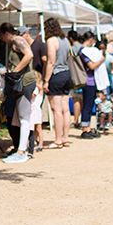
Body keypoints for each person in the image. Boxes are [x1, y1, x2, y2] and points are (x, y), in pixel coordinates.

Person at [0, 23, 36, 163]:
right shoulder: (14, 42)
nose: (2, 40)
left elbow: (29, 55)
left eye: (1, 36)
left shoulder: (17, 40)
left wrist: (14, 72)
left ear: (6, 33)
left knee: (24, 118)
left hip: (25, 83)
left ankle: (21, 151)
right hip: (22, 83)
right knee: (20, 118)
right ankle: (21, 149)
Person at [43, 18, 72, 148]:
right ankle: (65, 137)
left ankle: (58, 139)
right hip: (67, 74)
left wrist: (46, 81)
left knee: (56, 110)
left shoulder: (51, 41)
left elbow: (51, 61)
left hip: (56, 75)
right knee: (65, 109)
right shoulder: (65, 40)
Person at [78, 31, 107, 139]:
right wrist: (101, 60)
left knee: (90, 106)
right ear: (90, 40)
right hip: (88, 82)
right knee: (87, 106)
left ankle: (88, 128)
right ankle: (85, 129)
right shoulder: (83, 52)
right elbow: (92, 66)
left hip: (92, 81)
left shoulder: (84, 51)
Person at [68, 30, 84, 128]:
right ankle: (83, 119)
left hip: (76, 77)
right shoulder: (83, 47)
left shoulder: (72, 49)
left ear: (70, 38)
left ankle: (76, 120)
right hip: (84, 76)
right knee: (82, 99)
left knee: (76, 99)